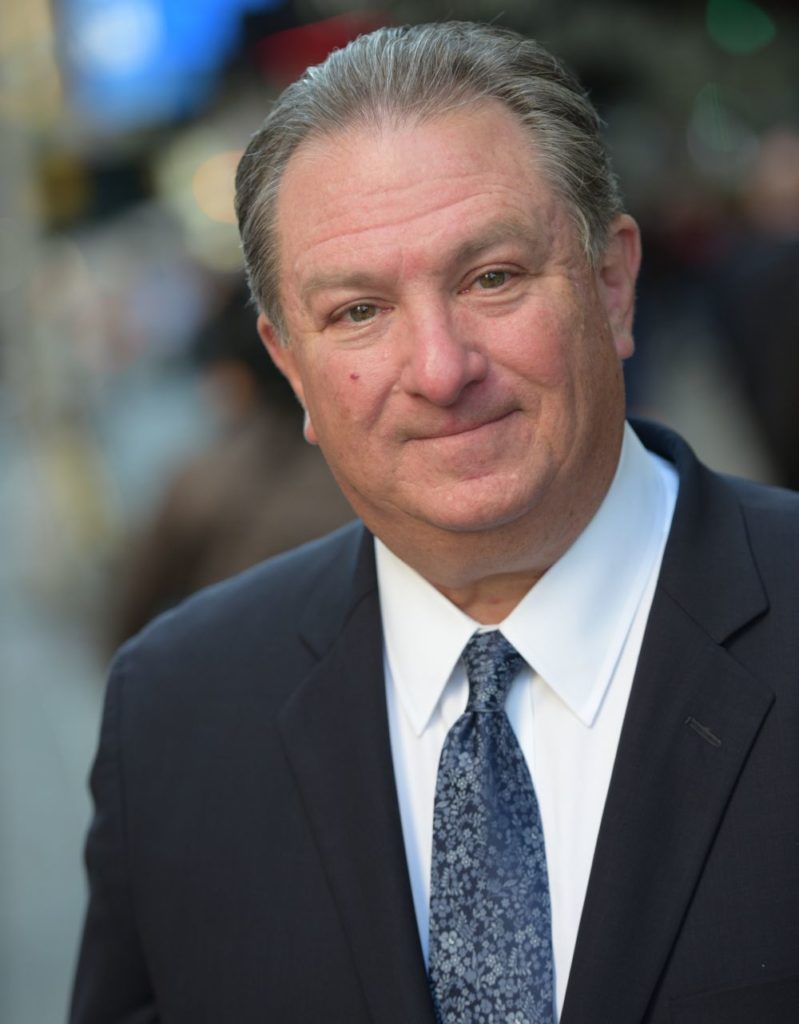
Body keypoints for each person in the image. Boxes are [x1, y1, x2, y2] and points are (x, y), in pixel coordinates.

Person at [69, 22, 799, 1024]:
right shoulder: (175, 713)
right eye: (358, 311)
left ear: (612, 282)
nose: (441, 369)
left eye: (490, 277)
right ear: (289, 367)